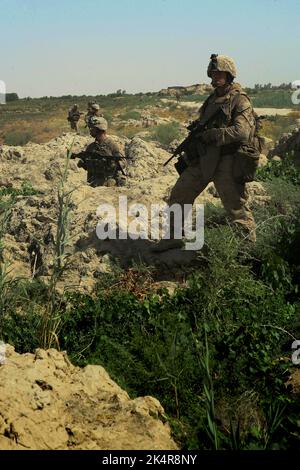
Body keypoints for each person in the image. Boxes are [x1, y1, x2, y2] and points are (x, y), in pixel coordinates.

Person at [153, 54, 258, 252]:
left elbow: (242, 132)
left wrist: (214, 135)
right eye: (213, 72)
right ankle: (172, 237)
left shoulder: (239, 100)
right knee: (179, 194)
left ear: (229, 75)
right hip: (205, 159)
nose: (215, 76)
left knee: (237, 209)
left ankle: (249, 251)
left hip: (227, 160)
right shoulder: (212, 99)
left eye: (220, 73)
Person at [71, 117, 127, 187]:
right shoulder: (91, 147)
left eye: (92, 128)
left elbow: (123, 163)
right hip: (94, 184)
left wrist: (112, 164)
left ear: (98, 129)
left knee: (122, 196)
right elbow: (86, 166)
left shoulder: (111, 145)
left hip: (110, 183)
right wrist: (83, 163)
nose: (90, 130)